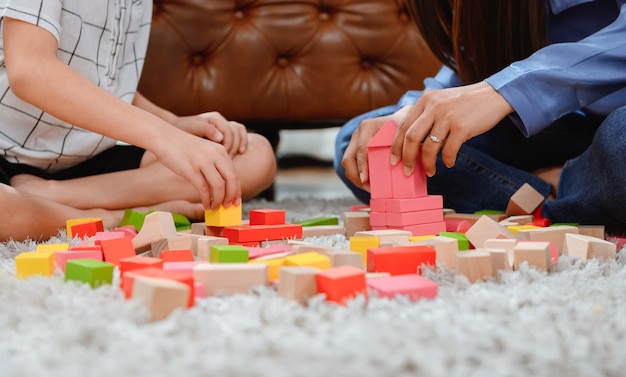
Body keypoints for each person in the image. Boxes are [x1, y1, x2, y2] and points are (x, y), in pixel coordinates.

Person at [0, 0, 277, 242]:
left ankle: (56, 196)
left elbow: (103, 83)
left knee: (255, 155)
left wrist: (172, 123)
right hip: (7, 153)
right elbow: (30, 70)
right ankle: (115, 219)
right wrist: (166, 138)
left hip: (89, 155)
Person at [335, 0, 626, 229]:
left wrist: (503, 91)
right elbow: (474, 59)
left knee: (619, 140)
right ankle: (561, 191)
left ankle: (563, 188)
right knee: (365, 144)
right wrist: (411, 114)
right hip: (559, 128)